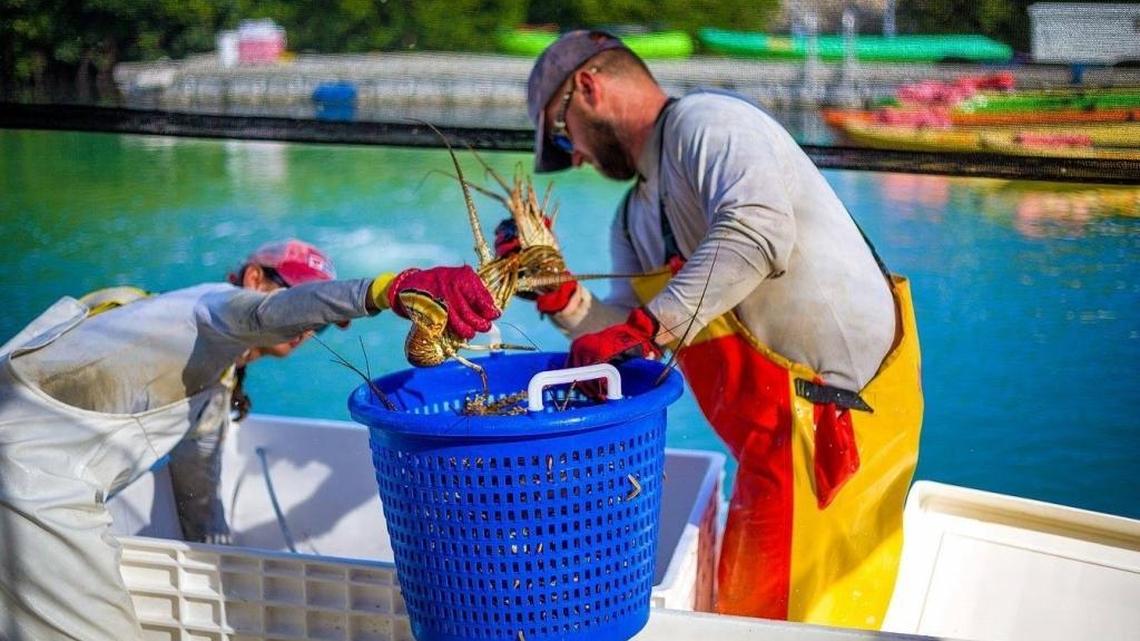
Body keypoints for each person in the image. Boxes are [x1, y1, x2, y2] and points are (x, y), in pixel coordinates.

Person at [505, 31, 924, 628]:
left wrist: (648, 327)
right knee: (740, 617)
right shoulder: (634, 217)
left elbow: (757, 232)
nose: (574, 157)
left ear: (590, 88)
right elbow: (627, 333)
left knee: (809, 621)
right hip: (764, 448)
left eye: (563, 134)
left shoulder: (709, 122)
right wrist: (562, 298)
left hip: (831, 428)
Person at [0, 239, 499, 641]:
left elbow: (197, 484)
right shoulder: (211, 306)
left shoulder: (214, 381)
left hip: (49, 486)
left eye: (321, 322)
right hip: (29, 486)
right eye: (301, 300)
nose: (309, 326)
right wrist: (389, 289)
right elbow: (268, 315)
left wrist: (223, 571)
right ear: (255, 278)